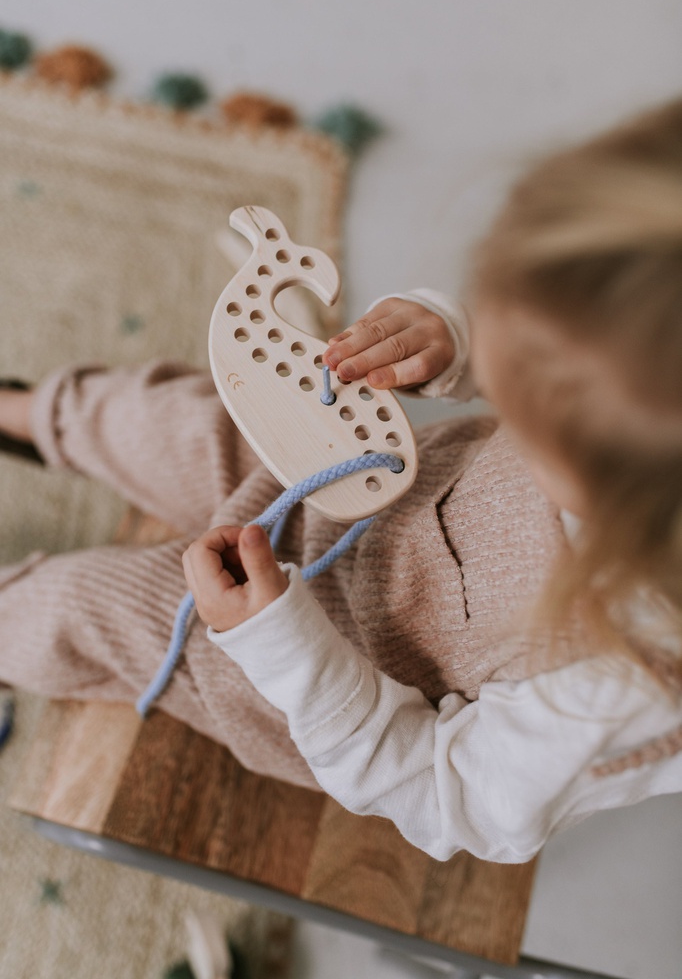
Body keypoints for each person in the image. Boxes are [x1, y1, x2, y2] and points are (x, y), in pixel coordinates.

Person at [2, 97, 682, 863]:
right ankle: (29, 412)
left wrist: (283, 649)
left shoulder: (627, 691)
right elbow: (565, 348)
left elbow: (446, 794)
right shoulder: (636, 390)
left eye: (528, 411)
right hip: (369, 486)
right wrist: (446, 338)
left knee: (86, 607)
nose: (500, 389)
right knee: (183, 416)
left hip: (328, 653)